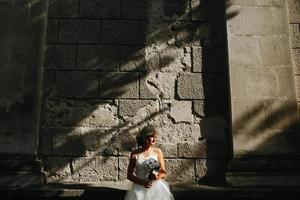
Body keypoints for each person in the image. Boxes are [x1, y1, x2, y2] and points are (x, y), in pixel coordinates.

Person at [124, 125, 175, 200]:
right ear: (145, 137)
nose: (155, 139)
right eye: (152, 137)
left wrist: (156, 177)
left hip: (156, 188)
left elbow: (163, 173)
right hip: (139, 188)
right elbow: (129, 175)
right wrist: (143, 183)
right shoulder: (135, 153)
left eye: (156, 137)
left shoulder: (158, 152)